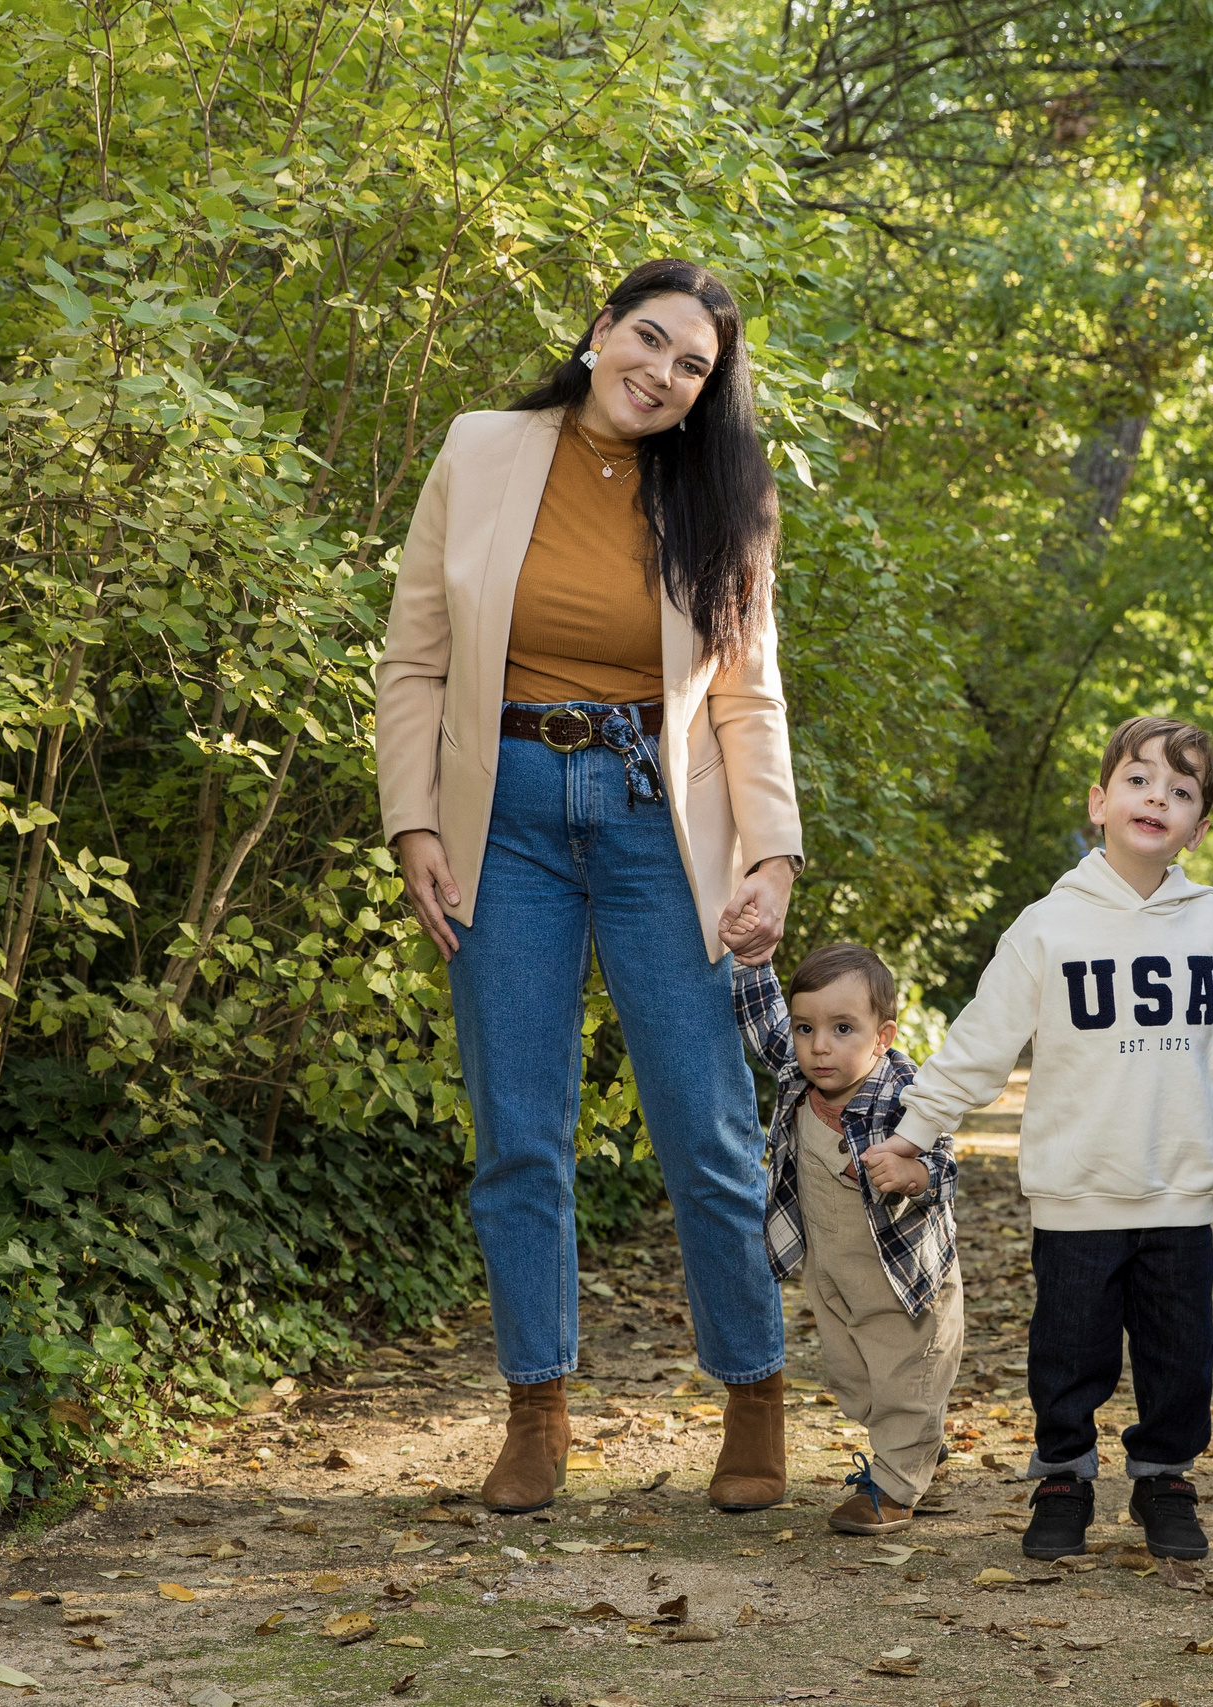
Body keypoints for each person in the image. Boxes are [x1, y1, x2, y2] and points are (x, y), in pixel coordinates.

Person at [377, 258, 807, 1517]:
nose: (663, 377)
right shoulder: (481, 449)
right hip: (498, 815)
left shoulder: (725, 495)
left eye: (693, 368)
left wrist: (770, 855)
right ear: (598, 329)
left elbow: (746, 692)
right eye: (651, 341)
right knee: (518, 1132)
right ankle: (537, 1411)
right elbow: (415, 657)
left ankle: (753, 1390)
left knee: (706, 1127)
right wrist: (413, 822)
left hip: (655, 828)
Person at [893, 717, 1213, 1562]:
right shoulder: (1048, 925)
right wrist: (914, 1132)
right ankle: (1062, 1476)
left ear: (1199, 827)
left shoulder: (1212, 924)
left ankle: (1164, 1478)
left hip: (1178, 1190)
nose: (1159, 797)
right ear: (1100, 801)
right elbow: (980, 1043)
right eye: (1141, 780)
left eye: (1182, 791)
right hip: (1075, 1189)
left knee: (1177, 1355)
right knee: (1068, 1351)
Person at [726, 937, 962, 1536]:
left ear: (881, 1037)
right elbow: (763, 1023)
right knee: (852, 1376)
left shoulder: (902, 1095)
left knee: (905, 1376)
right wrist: (753, 958)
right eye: (807, 1028)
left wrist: (914, 1173)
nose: (819, 1046)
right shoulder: (803, 1073)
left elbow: (944, 1162)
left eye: (841, 1029)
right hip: (831, 1268)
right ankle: (913, 1449)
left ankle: (895, 1483)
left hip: (903, 1276)